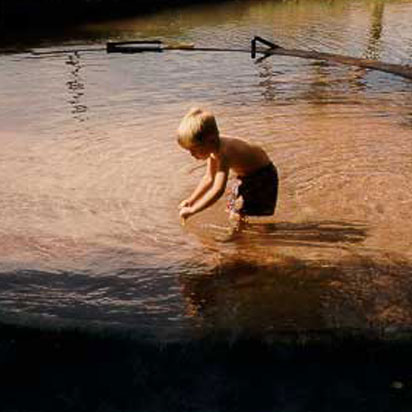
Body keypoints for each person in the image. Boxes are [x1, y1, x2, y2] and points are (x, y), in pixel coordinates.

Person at [177, 107, 278, 228]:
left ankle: (248, 237)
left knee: (244, 211)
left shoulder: (225, 153)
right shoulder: (213, 149)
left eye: (194, 150)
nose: (192, 155)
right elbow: (209, 178)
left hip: (263, 177)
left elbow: (218, 190)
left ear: (211, 141)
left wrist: (193, 210)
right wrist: (192, 200)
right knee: (235, 210)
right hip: (246, 176)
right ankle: (241, 234)